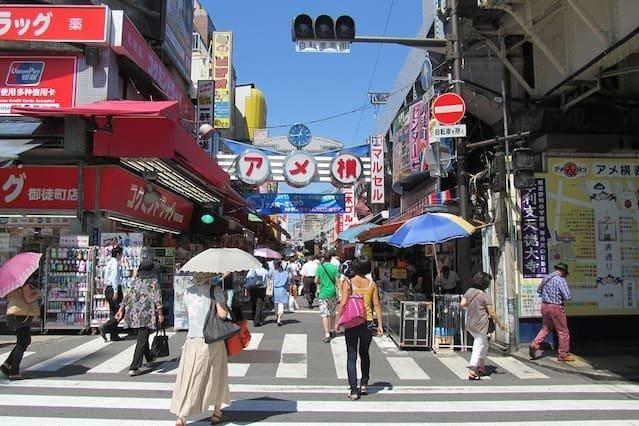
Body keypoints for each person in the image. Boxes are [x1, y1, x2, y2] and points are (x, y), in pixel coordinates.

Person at [170, 276, 230, 426]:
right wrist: (223, 300)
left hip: (192, 339)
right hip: (212, 339)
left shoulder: (188, 292)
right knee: (216, 373)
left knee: (190, 375)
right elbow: (222, 315)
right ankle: (217, 412)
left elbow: (188, 311)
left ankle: (182, 416)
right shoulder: (215, 291)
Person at [338, 256, 383, 400]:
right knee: (364, 353)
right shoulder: (372, 284)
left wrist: (337, 321)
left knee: (351, 357)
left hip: (352, 321)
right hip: (368, 322)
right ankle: (364, 384)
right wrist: (380, 324)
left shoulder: (348, 282)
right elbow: (376, 305)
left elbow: (343, 303)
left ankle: (353, 390)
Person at [115, 260, 163, 376]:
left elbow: (127, 296)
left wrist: (121, 309)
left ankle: (150, 358)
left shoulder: (135, 281)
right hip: (146, 314)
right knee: (141, 340)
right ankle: (134, 366)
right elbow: (157, 298)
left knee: (143, 336)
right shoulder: (153, 282)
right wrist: (160, 314)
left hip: (133, 313)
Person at [460, 272, 506, 380]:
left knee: (484, 344)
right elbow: (492, 313)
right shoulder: (485, 296)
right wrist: (500, 324)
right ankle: (473, 369)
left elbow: (462, 304)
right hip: (481, 325)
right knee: (478, 346)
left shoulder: (469, 291)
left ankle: (481, 365)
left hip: (470, 323)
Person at [529, 262, 574, 362]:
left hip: (545, 305)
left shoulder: (546, 278)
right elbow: (567, 296)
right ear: (563, 271)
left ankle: (535, 344)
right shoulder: (560, 280)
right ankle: (563, 354)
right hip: (556, 306)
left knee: (546, 328)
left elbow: (538, 290)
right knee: (563, 332)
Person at [1, 275, 39, 380]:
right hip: (21, 315)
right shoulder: (24, 285)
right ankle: (14, 372)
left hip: (13, 314)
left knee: (23, 341)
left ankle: (7, 364)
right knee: (23, 342)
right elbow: (28, 299)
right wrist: (37, 293)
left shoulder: (12, 285)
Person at [100, 246, 124, 342]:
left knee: (113, 312)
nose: (121, 256)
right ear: (118, 254)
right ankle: (105, 327)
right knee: (120, 312)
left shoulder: (109, 262)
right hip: (114, 288)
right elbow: (114, 277)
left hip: (108, 288)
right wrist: (116, 291)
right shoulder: (114, 263)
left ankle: (114, 335)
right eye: (121, 254)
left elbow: (105, 277)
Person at [316, 252, 340, 342]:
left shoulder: (320, 268)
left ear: (323, 258)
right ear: (331, 259)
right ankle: (332, 330)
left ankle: (327, 334)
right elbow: (338, 282)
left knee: (324, 314)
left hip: (323, 293)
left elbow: (316, 280)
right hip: (333, 293)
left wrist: (321, 281)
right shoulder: (334, 268)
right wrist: (341, 293)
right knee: (332, 312)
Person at [246, 260, 269, 327]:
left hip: (253, 288)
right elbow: (266, 282)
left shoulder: (252, 270)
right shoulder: (265, 271)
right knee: (259, 304)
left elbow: (247, 278)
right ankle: (257, 321)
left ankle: (254, 317)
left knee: (253, 303)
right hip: (261, 288)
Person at [271, 260, 290, 326]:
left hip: (275, 289)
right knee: (281, 304)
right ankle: (279, 318)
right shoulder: (285, 273)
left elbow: (268, 278)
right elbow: (288, 282)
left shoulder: (273, 272)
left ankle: (277, 316)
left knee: (276, 304)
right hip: (283, 289)